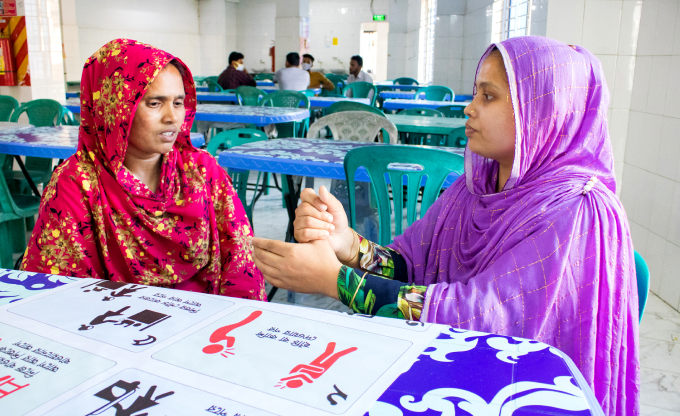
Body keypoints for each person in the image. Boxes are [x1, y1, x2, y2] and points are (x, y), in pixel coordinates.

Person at [250, 36, 640, 414]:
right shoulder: (477, 188)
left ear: (544, 112)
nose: (469, 108)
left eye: (488, 96)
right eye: (475, 93)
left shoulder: (577, 211)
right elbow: (408, 265)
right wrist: (348, 244)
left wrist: (335, 280)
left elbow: (481, 320)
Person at [21, 39, 266, 301]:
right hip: (113, 327)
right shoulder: (78, 183)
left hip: (207, 324)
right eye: (154, 103)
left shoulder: (202, 171)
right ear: (115, 107)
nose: (172, 117)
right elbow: (59, 292)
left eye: (179, 102)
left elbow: (241, 261)